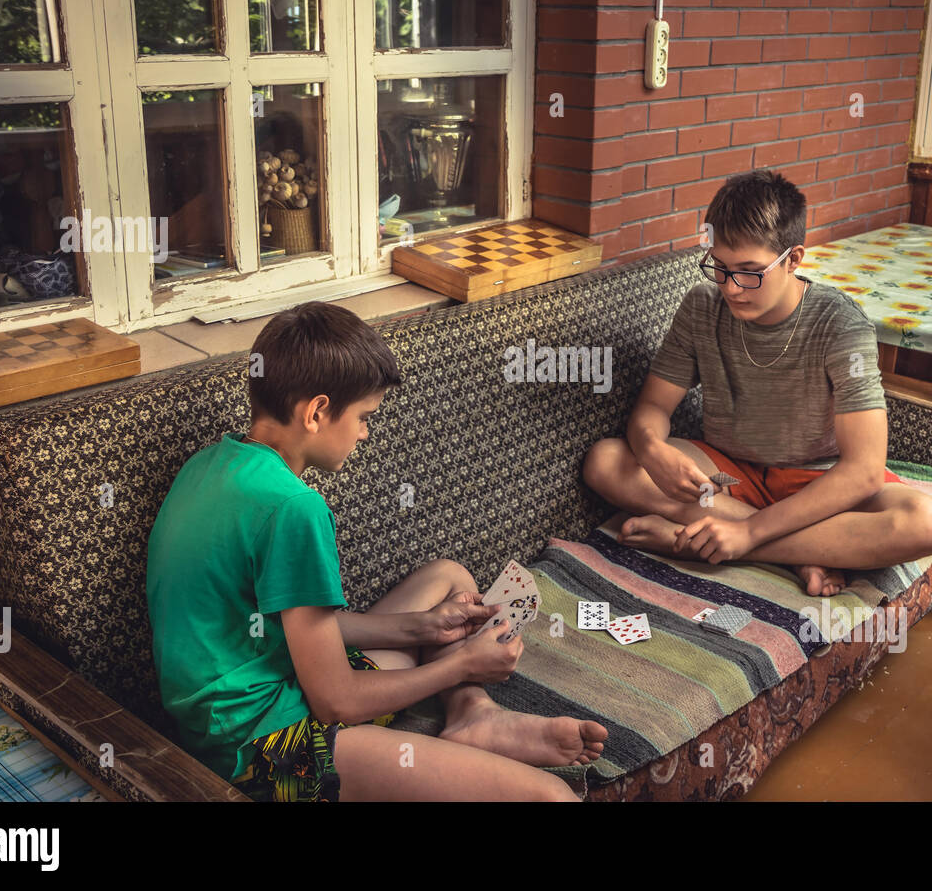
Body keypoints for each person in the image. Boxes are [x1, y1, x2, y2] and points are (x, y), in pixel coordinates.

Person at [147, 302, 605, 802]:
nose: (366, 432)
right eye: (364, 417)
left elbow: (281, 624)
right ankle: (466, 693)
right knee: (549, 797)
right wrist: (461, 664)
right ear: (317, 412)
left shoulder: (213, 462)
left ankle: (473, 715)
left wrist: (422, 628)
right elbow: (335, 702)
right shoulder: (292, 507)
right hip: (260, 750)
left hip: (240, 702)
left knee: (449, 578)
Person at [582, 170, 932, 597]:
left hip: (816, 483)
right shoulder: (702, 307)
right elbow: (653, 409)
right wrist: (653, 450)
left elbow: (864, 471)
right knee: (606, 461)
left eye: (749, 271)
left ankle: (722, 543)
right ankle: (798, 553)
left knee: (925, 522)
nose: (732, 288)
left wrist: (750, 533)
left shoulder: (841, 325)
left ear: (794, 259)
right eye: (719, 267)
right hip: (727, 478)